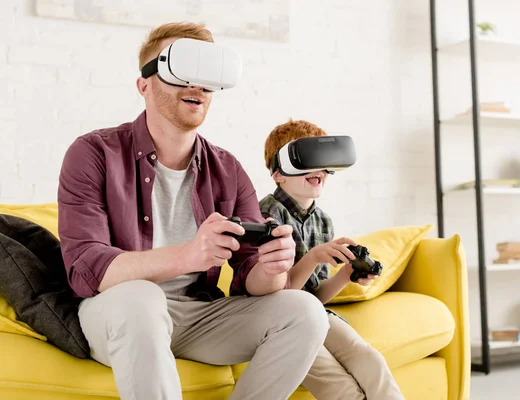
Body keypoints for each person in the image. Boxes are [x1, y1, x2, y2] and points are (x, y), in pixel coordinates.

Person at [57, 22, 329, 400]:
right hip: (118, 313)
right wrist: (188, 255)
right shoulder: (94, 153)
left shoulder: (228, 169)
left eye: (204, 75)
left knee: (304, 311)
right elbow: (88, 268)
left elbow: (253, 280)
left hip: (199, 317)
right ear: (144, 85)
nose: (195, 85)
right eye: (180, 72)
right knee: (142, 298)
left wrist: (272, 267)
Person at [259, 119, 406, 400]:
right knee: (343, 388)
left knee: (370, 361)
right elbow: (277, 297)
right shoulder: (267, 214)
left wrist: (346, 273)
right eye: (308, 160)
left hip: (315, 314)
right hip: (279, 322)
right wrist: (313, 258)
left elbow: (316, 298)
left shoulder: (323, 221)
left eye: (324, 162)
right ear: (279, 173)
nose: (319, 170)